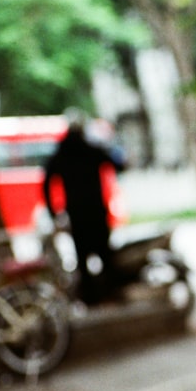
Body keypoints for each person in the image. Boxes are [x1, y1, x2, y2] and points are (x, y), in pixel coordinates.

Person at [43, 110, 126, 305]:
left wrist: (53, 212)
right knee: (105, 254)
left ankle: (91, 298)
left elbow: (45, 183)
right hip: (96, 212)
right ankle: (110, 292)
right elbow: (118, 165)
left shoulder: (60, 153)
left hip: (77, 214)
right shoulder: (91, 149)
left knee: (82, 258)